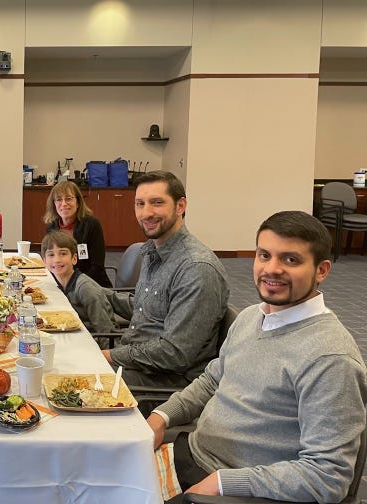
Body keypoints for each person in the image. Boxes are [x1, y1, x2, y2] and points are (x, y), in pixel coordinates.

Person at [149, 211, 367, 503]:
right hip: (191, 453)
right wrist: (162, 416)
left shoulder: (329, 358)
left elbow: (327, 476)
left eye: (291, 260)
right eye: (264, 255)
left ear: (321, 270)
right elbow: (213, 380)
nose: (272, 269)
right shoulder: (253, 316)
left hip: (230, 490)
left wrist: (224, 483)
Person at [101, 170, 229, 388]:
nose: (146, 213)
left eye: (157, 203)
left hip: (164, 382)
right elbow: (146, 310)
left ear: (180, 206)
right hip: (138, 363)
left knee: (71, 381)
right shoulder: (153, 251)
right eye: (140, 204)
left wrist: (111, 356)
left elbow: (174, 353)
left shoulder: (196, 268)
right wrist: (98, 292)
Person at [41, 230, 117, 345]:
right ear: (44, 261)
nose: (57, 259)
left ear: (74, 259)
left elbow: (105, 331)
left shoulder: (85, 289)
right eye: (51, 255)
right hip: (75, 334)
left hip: (92, 341)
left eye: (63, 253)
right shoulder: (58, 282)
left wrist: (106, 358)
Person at [43, 181, 112, 288]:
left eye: (69, 198)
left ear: (78, 202)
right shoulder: (52, 228)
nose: (64, 203)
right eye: (59, 200)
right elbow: (51, 261)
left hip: (92, 286)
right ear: (54, 204)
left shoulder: (92, 225)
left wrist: (74, 285)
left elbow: (96, 266)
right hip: (62, 283)